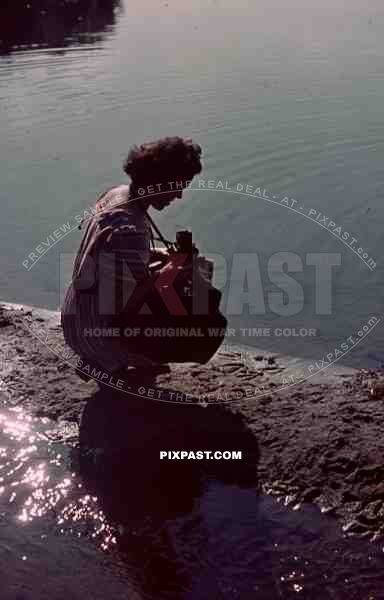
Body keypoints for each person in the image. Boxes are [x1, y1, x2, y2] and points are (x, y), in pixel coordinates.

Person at [61, 136, 203, 382]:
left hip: (74, 318)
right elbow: (127, 303)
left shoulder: (117, 195)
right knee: (183, 299)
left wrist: (163, 258)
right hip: (92, 332)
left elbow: (112, 259)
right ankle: (112, 360)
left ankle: (105, 358)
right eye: (178, 186)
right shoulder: (132, 229)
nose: (179, 195)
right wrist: (173, 268)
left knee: (171, 275)